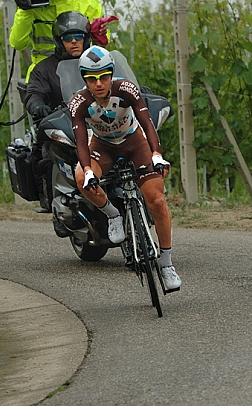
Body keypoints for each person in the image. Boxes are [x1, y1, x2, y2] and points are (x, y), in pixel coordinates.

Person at [69, 46, 182, 291]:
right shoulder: (79, 101)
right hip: (102, 145)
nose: (98, 83)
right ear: (84, 79)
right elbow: (80, 141)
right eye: (91, 78)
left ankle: (166, 264)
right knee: (79, 177)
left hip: (134, 142)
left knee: (157, 201)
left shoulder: (126, 89)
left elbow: (147, 122)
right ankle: (113, 214)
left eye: (104, 76)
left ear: (111, 74)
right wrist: (88, 170)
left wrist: (156, 154)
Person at [25, 10, 90, 122]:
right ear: (59, 41)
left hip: (99, 123)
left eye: (79, 36)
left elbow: (119, 82)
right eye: (68, 38)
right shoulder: (44, 69)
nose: (74, 41)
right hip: (62, 125)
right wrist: (37, 106)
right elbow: (35, 93)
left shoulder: (98, 62)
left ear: (86, 39)